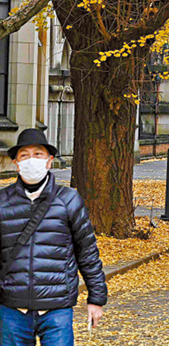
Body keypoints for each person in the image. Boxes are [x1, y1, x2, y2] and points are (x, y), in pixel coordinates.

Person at [0, 129, 107, 346]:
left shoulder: (68, 200)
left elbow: (87, 251)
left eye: (38, 154)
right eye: (24, 155)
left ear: (49, 161)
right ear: (16, 163)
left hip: (56, 308)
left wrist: (96, 299)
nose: (32, 160)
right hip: (12, 308)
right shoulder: (2, 201)